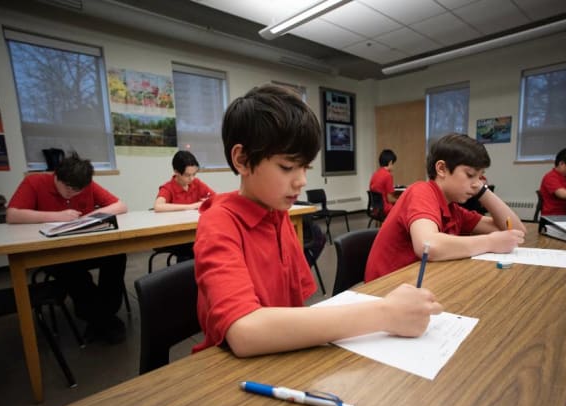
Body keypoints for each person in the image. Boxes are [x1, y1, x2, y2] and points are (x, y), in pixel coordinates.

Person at [192, 85, 442, 357]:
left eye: (305, 167)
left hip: (281, 354)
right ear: (242, 160)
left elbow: (295, 308)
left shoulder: (278, 213)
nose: (301, 181)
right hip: (225, 371)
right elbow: (244, 331)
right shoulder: (219, 223)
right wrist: (384, 313)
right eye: (287, 167)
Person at [365, 133, 526, 282]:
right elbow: (428, 246)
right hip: (384, 290)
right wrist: (490, 242)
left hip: (417, 282)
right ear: (441, 169)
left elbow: (516, 231)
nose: (477, 183)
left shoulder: (453, 208)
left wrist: (483, 190)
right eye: (470, 175)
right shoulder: (421, 191)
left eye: (480, 176)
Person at [6, 152, 128, 344]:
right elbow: (12, 215)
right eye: (68, 188)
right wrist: (55, 216)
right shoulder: (35, 182)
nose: (72, 193)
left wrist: (91, 217)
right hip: (53, 253)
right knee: (73, 270)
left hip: (84, 247)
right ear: (57, 176)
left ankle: (102, 316)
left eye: (78, 190)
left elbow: (120, 205)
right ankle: (105, 320)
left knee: (116, 256)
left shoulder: (85, 185)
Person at [153, 150, 216, 261]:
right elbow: (158, 206)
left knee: (211, 244)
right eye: (187, 175)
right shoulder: (168, 187)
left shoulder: (196, 183)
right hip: (175, 235)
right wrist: (191, 206)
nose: (192, 178)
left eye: (194, 174)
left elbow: (215, 198)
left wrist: (207, 201)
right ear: (176, 172)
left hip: (194, 232)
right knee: (191, 250)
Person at [369, 149, 398, 215]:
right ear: (390, 162)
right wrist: (400, 200)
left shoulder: (375, 174)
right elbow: (390, 199)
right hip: (385, 209)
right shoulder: (388, 175)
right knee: (404, 208)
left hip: (376, 209)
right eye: (393, 164)